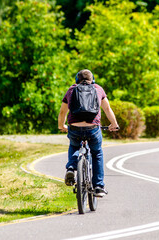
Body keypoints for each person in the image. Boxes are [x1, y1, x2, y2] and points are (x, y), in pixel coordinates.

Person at [58, 69, 119, 197]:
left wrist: (61, 126)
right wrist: (114, 124)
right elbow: (107, 109)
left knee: (74, 146)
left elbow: (63, 112)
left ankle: (71, 168)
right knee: (97, 153)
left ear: (76, 79)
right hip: (93, 128)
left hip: (74, 127)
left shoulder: (71, 90)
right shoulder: (98, 89)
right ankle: (98, 186)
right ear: (93, 79)